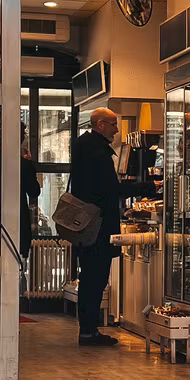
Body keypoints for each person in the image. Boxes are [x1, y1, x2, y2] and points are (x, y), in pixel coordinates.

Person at [70, 107, 125, 346]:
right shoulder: (99, 152)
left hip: (85, 225)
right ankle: (89, 331)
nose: (116, 129)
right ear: (100, 124)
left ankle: (87, 330)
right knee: (96, 278)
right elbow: (110, 189)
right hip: (99, 226)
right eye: (113, 124)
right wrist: (148, 187)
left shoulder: (83, 146)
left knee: (88, 278)